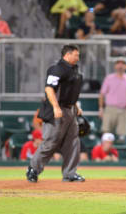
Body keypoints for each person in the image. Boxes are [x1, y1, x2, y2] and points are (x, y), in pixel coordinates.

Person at [26, 44, 85, 183]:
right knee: (51, 142)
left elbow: (69, 91)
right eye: (76, 55)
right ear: (68, 54)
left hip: (70, 110)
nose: (78, 57)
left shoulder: (73, 69)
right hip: (57, 110)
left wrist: (75, 105)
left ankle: (70, 173)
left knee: (73, 142)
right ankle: (33, 169)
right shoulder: (57, 69)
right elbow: (49, 89)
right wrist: (56, 107)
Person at [98, 59, 126, 144]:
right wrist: (101, 109)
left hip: (124, 110)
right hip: (110, 109)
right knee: (106, 133)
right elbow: (102, 95)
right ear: (115, 66)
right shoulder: (109, 78)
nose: (120, 66)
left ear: (125, 66)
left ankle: (119, 154)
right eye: (118, 64)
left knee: (122, 136)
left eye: (122, 64)